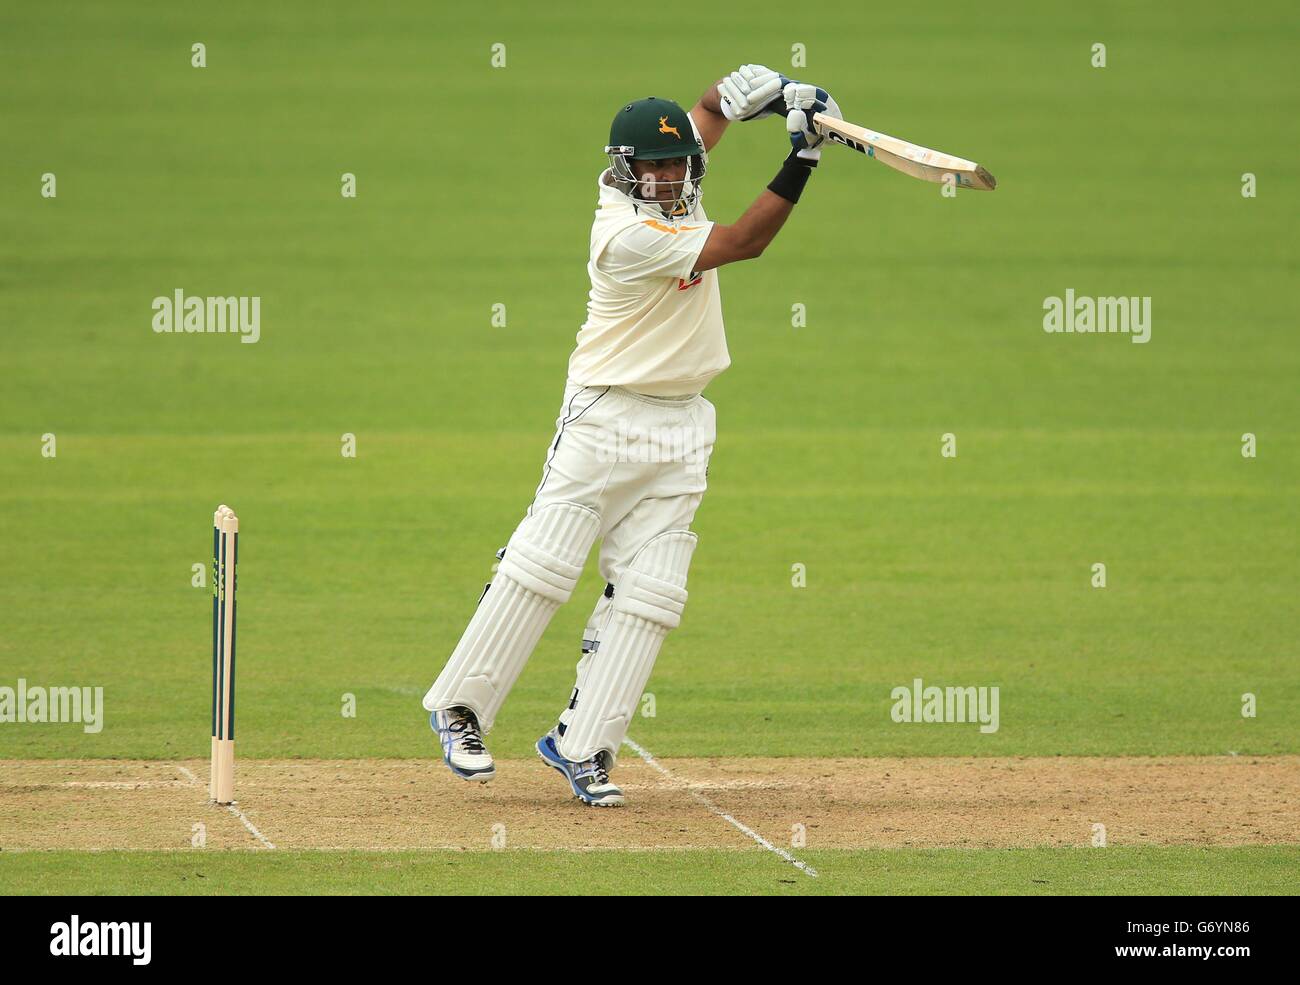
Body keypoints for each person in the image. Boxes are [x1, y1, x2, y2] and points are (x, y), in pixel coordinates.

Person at [422, 64, 840, 806]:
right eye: (654, 166)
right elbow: (744, 242)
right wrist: (801, 156)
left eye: (680, 163)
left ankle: (584, 747)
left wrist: (749, 94)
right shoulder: (625, 233)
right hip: (605, 415)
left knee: (653, 590)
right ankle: (460, 710)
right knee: (543, 565)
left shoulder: (682, 185)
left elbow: (705, 116)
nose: (670, 176)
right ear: (624, 172)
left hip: (684, 423)